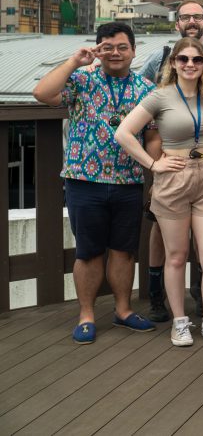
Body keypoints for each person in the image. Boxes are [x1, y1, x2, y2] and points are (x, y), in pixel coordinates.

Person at [32, 22, 157, 343]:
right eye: (108, 47)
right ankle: (86, 314)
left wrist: (159, 171)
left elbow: (153, 135)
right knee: (87, 252)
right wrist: (76, 60)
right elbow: (42, 94)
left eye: (122, 47)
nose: (115, 53)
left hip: (128, 181)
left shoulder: (145, 89)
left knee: (124, 251)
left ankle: (123, 310)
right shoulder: (81, 79)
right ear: (97, 48)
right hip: (84, 181)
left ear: (133, 50)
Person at [115, 37, 203, 346]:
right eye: (184, 59)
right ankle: (180, 321)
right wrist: (153, 165)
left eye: (197, 60)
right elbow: (124, 133)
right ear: (174, 63)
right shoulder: (159, 96)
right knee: (178, 256)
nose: (190, 65)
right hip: (174, 178)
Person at [138, 0, 203, 324]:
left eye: (198, 16)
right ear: (177, 23)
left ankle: (199, 292)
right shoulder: (162, 55)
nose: (192, 21)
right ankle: (157, 294)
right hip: (165, 153)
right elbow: (138, 91)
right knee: (160, 227)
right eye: (186, 17)